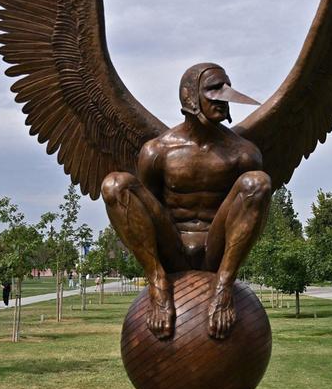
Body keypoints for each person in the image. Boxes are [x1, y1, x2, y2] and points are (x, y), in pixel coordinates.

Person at [101, 64, 270, 341]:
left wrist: (223, 282)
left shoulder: (243, 153)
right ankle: (157, 283)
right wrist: (159, 272)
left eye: (226, 88)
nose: (224, 96)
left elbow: (248, 214)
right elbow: (150, 210)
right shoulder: (158, 151)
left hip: (216, 250)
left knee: (257, 183)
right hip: (173, 249)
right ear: (190, 96)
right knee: (116, 185)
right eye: (214, 89)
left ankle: (223, 286)